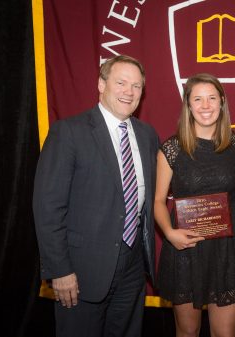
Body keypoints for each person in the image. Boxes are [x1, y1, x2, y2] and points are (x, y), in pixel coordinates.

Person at [33, 55, 159, 337]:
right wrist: (60, 270)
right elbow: (47, 207)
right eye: (121, 83)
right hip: (81, 271)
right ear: (101, 84)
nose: (129, 91)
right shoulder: (69, 132)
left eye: (136, 86)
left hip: (132, 267)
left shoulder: (147, 135)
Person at [154, 73, 235, 337]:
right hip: (185, 249)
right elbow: (159, 201)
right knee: (187, 331)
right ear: (188, 105)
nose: (205, 106)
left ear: (222, 103)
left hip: (225, 250)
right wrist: (170, 234)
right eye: (198, 99)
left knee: (225, 334)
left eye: (211, 99)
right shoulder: (171, 149)